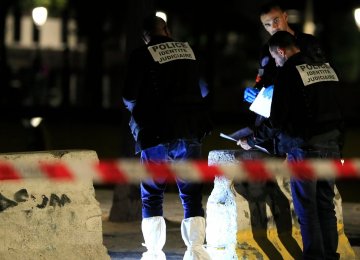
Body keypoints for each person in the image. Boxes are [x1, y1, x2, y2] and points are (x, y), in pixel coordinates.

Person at [122, 15, 212, 260]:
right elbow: (203, 89)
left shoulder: (140, 55)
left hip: (155, 131)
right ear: (167, 31)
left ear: (145, 36)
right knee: (191, 191)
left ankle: (153, 253)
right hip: (190, 130)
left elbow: (129, 96)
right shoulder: (188, 51)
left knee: (151, 192)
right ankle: (195, 251)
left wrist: (139, 116)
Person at [268, 30, 344, 259]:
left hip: (306, 149)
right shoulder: (325, 67)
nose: (276, 62)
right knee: (325, 205)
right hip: (331, 144)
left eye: (274, 58)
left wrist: (254, 138)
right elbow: (341, 109)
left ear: (281, 51)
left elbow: (277, 117)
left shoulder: (288, 71)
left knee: (307, 209)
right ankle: (330, 256)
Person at [241, 0, 327, 154]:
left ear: (285, 17)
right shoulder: (266, 50)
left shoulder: (308, 43)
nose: (273, 27)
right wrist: (255, 92)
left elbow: (320, 77)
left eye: (276, 20)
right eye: (267, 25)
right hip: (277, 122)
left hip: (305, 121)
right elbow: (263, 79)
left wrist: (284, 87)